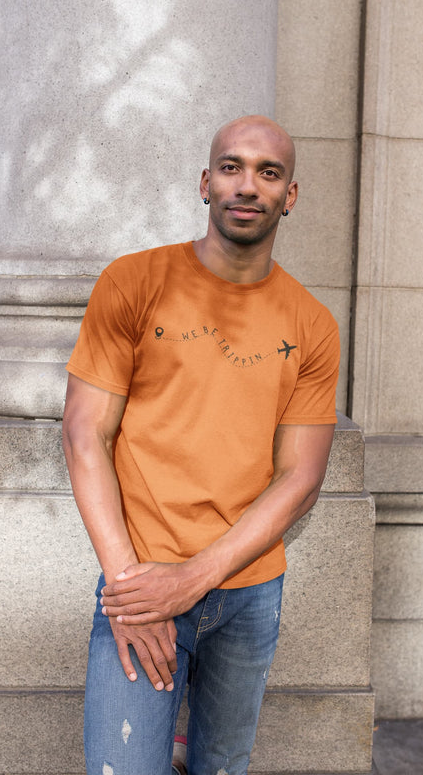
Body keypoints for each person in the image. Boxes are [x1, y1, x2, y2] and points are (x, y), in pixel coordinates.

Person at [62, 115, 340, 775]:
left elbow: (299, 478)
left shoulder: (311, 323)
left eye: (267, 173)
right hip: (138, 575)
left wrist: (192, 579)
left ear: (289, 196)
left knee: (221, 765)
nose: (247, 185)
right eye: (231, 167)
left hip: (247, 593)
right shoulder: (132, 283)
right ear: (204, 182)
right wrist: (135, 589)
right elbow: (84, 434)